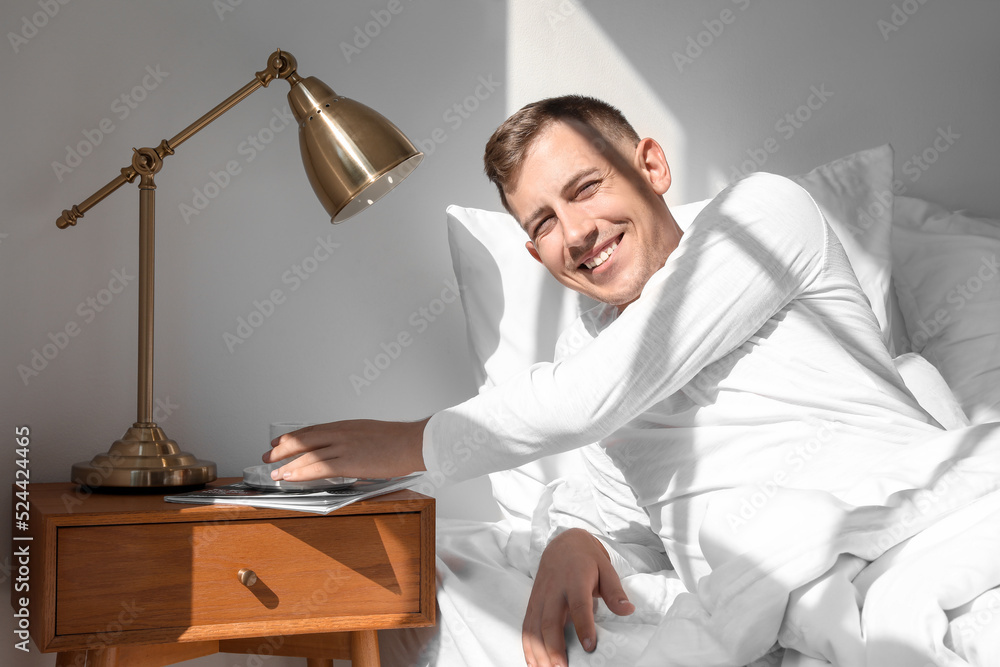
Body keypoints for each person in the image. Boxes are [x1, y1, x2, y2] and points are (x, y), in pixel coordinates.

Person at [263, 96, 998, 667]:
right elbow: (612, 497)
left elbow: (599, 395)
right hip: (773, 605)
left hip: (896, 531)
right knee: (435, 580)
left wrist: (405, 442)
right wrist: (578, 537)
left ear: (651, 165)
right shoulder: (587, 353)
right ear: (532, 249)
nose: (578, 232)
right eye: (545, 222)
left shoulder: (764, 215)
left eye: (587, 187)